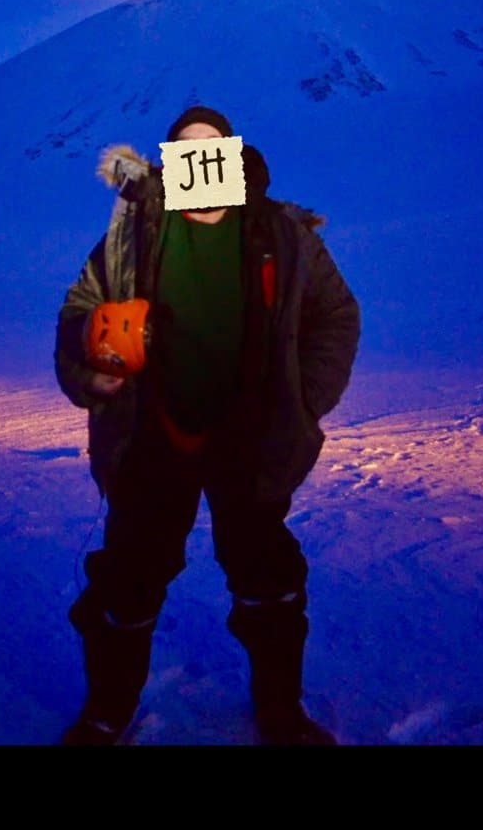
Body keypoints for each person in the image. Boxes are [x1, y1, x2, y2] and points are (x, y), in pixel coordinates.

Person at [54, 105, 361, 745]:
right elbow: (79, 312)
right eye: (184, 151)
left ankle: (280, 713)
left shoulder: (280, 233)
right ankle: (106, 713)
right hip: (152, 438)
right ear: (169, 165)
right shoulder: (133, 234)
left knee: (267, 579)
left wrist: (305, 401)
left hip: (248, 440)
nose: (199, 161)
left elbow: (335, 316)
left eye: (210, 149)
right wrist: (91, 370)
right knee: (128, 582)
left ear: (231, 156)